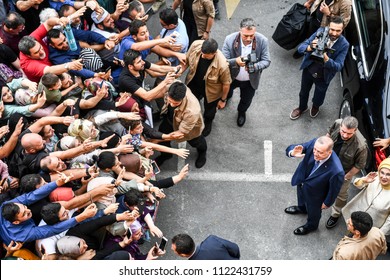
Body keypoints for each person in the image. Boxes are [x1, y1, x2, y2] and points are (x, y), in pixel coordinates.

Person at [289, 16, 349, 120]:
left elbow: (338, 66)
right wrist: (310, 47)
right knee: (303, 91)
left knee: (319, 94)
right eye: (332, 29)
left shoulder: (344, 44)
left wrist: (326, 59)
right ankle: (302, 107)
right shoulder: (320, 31)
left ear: (342, 29)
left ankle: (316, 106)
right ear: (328, 27)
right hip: (309, 69)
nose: (334, 33)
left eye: (338, 30)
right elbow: (301, 48)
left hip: (324, 75)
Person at [285, 135, 344, 235]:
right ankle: (302, 208)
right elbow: (297, 147)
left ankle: (311, 225)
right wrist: (292, 152)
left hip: (316, 195)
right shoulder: (314, 143)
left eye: (320, 152)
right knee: (301, 197)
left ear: (329, 152)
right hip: (302, 181)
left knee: (314, 212)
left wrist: (327, 203)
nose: (315, 154)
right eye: (315, 150)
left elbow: (334, 190)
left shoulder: (337, 170)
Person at [222, 18, 271, 127]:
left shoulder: (262, 40)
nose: (249, 39)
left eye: (252, 35)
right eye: (245, 36)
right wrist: (235, 61)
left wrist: (255, 66)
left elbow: (267, 61)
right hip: (232, 77)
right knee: (227, 91)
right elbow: (223, 60)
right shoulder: (229, 39)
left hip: (250, 80)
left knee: (246, 99)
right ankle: (226, 97)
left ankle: (241, 112)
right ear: (240, 31)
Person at [325, 116, 368, 229]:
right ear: (341, 125)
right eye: (343, 131)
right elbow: (329, 134)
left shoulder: (361, 146)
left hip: (344, 172)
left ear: (355, 130)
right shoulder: (337, 123)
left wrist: (346, 176)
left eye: (349, 133)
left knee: (341, 195)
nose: (344, 135)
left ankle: (336, 213)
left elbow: (359, 165)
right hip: (328, 164)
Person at [183, 38, 231, 136]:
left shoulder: (222, 64)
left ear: (214, 53)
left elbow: (226, 84)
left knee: (210, 111)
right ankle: (193, 120)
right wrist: (178, 71)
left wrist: (223, 100)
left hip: (212, 91)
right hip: (194, 83)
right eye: (202, 53)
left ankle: (208, 122)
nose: (203, 56)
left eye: (206, 55)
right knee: (191, 103)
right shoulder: (196, 45)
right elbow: (187, 61)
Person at [155, 81, 207, 168]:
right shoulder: (176, 85)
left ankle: (202, 152)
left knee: (196, 142)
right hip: (170, 119)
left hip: (189, 128)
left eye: (175, 103)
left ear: (183, 98)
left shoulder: (192, 111)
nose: (171, 104)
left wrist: (154, 142)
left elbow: (181, 132)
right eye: (170, 100)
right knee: (161, 135)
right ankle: (166, 155)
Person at [342, 158, 390, 237]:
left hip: (372, 225)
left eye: (388, 174)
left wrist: (379, 234)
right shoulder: (375, 177)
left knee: (360, 243)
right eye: (382, 172)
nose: (383, 177)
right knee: (349, 232)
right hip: (356, 212)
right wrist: (364, 180)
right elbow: (357, 184)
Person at [171, 233, 240, 260]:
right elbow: (235, 248)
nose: (172, 249)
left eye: (174, 250)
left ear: (183, 254)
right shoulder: (212, 240)